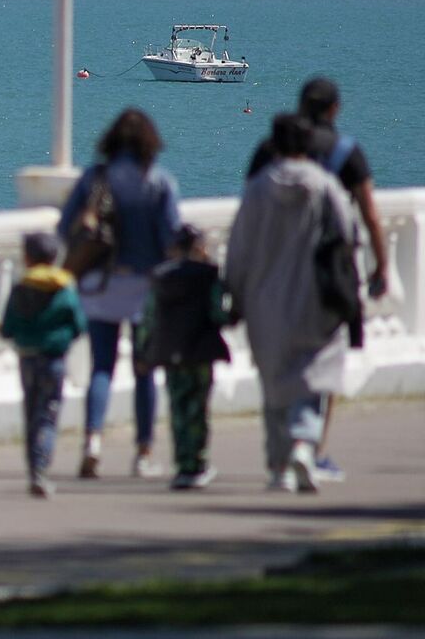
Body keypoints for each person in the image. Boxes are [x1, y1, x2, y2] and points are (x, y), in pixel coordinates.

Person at [244, 77, 386, 483]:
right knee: (323, 360)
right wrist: (381, 266)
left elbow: (249, 209)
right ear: (335, 109)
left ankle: (281, 455)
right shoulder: (345, 153)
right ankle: (314, 448)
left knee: (277, 360)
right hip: (328, 276)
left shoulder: (267, 152)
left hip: (272, 272)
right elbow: (369, 215)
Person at [226, 113, 358, 494]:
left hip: (265, 299)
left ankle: (278, 464)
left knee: (274, 379)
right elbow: (347, 237)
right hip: (314, 296)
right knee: (313, 373)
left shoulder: (257, 188)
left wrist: (233, 293)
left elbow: (238, 246)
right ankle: (304, 441)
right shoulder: (324, 186)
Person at [58, 108, 181, 480]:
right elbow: (171, 238)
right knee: (144, 371)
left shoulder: (95, 180)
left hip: (100, 286)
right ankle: (143, 453)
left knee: (101, 367)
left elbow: (65, 228)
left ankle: (93, 442)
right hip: (144, 288)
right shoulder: (158, 182)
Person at [142, 223, 230, 490]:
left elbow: (148, 317)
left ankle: (182, 464)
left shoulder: (159, 277)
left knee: (178, 408)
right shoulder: (208, 275)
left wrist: (144, 349)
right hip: (201, 350)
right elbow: (218, 313)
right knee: (198, 409)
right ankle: (197, 463)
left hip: (170, 352)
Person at [0, 231, 86, 498]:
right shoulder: (65, 288)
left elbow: (7, 327)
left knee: (30, 412)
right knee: (47, 414)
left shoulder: (20, 288)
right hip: (54, 358)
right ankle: (41, 469)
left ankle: (33, 469)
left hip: (27, 357)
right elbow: (79, 325)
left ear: (27, 258)